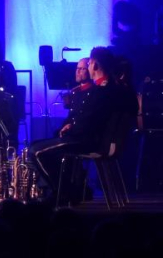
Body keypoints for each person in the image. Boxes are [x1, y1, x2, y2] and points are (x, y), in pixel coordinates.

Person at [30, 47, 134, 205]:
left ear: (95, 65)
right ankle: (68, 190)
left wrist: (70, 129)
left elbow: (89, 121)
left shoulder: (100, 91)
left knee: (35, 151)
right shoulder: (112, 89)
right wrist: (72, 125)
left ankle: (64, 192)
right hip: (96, 139)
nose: (89, 67)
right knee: (42, 145)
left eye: (89, 63)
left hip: (89, 141)